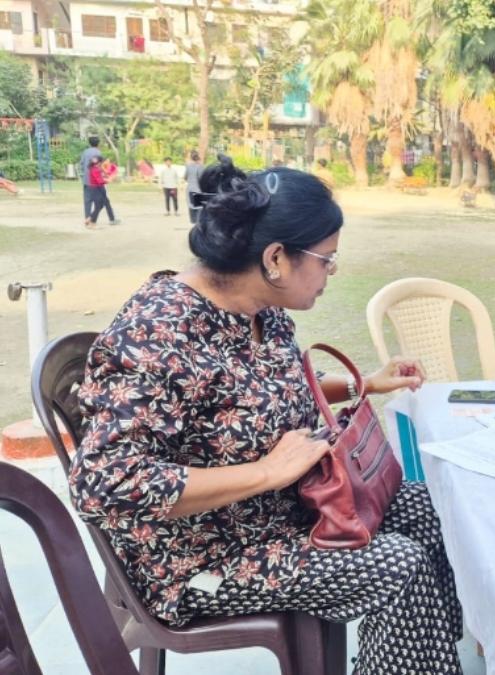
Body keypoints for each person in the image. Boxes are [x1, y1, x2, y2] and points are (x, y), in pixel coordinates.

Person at [69, 156, 464, 673]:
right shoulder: (158, 334)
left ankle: (427, 655)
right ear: (276, 258)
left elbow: (268, 395)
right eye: (326, 260)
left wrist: (363, 382)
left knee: (429, 508)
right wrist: (266, 473)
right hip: (201, 556)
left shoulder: (262, 310)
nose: (330, 273)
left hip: (285, 507)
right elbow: (104, 485)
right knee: (399, 566)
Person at [84, 156, 113, 229]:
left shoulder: (94, 168)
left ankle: (89, 218)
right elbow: (99, 181)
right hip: (96, 189)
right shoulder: (95, 170)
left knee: (100, 205)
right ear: (99, 162)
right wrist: (107, 181)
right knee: (98, 206)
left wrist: (104, 175)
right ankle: (92, 223)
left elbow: (100, 176)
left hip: (96, 189)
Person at [80, 135, 101, 217]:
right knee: (98, 200)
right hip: (95, 181)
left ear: (89, 143)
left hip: (86, 179)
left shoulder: (85, 152)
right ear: (98, 143)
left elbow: (81, 164)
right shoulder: (98, 152)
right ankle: (93, 218)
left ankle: (87, 217)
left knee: (87, 200)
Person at [185, 150, 203, 224]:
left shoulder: (188, 167)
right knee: (198, 206)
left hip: (189, 189)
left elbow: (185, 177)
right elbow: (201, 178)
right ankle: (198, 223)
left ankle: (193, 221)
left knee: (191, 205)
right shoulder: (200, 167)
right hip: (198, 189)